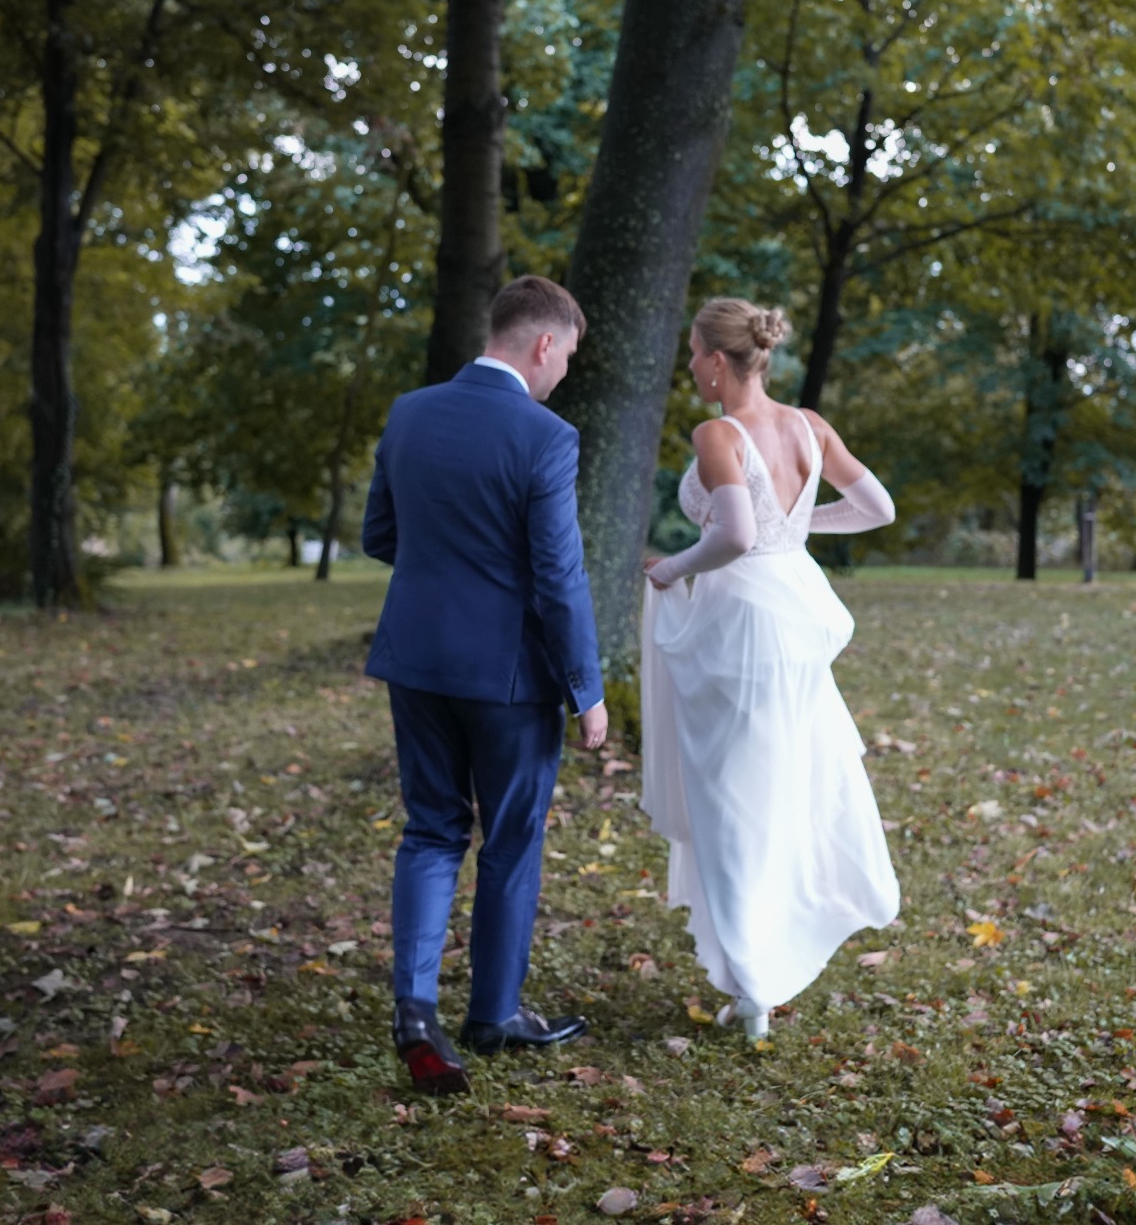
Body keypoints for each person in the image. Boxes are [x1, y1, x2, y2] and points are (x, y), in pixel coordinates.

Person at [362, 275, 609, 1096]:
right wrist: (586, 688)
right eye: (566, 357)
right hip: (509, 676)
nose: (563, 374)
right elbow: (559, 575)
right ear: (543, 343)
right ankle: (495, 1013)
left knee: (431, 829)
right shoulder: (545, 435)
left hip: (416, 657)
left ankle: (416, 1011)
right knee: (509, 837)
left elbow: (380, 534)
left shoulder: (409, 412)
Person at [639, 298, 900, 1039]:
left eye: (695, 352)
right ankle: (758, 963)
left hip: (742, 622)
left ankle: (753, 982)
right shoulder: (810, 426)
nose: (691, 364)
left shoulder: (718, 433)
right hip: (796, 607)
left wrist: (669, 568)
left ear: (719, 361)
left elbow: (734, 535)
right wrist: (799, 525)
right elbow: (876, 507)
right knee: (778, 784)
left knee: (731, 799)